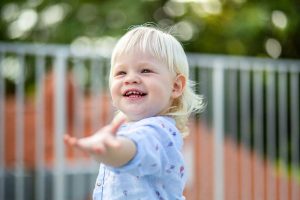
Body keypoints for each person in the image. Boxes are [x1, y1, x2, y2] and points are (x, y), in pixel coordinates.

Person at [64, 24, 204, 200]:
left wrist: (110, 148)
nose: (130, 79)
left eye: (145, 70)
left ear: (175, 86)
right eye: (121, 72)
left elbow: (137, 148)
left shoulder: (160, 130)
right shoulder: (126, 128)